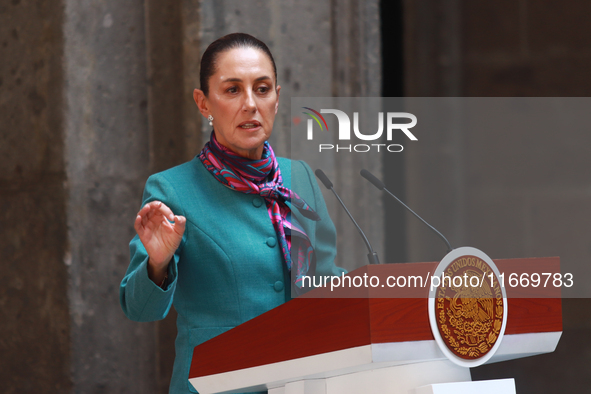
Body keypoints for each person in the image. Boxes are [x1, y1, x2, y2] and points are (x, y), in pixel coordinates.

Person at [119, 33, 345, 394]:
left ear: (277, 98)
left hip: (303, 382)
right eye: (232, 90)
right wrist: (157, 265)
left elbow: (328, 283)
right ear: (203, 102)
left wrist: (396, 291)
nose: (251, 104)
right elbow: (138, 308)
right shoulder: (172, 189)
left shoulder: (299, 177)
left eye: (262, 88)